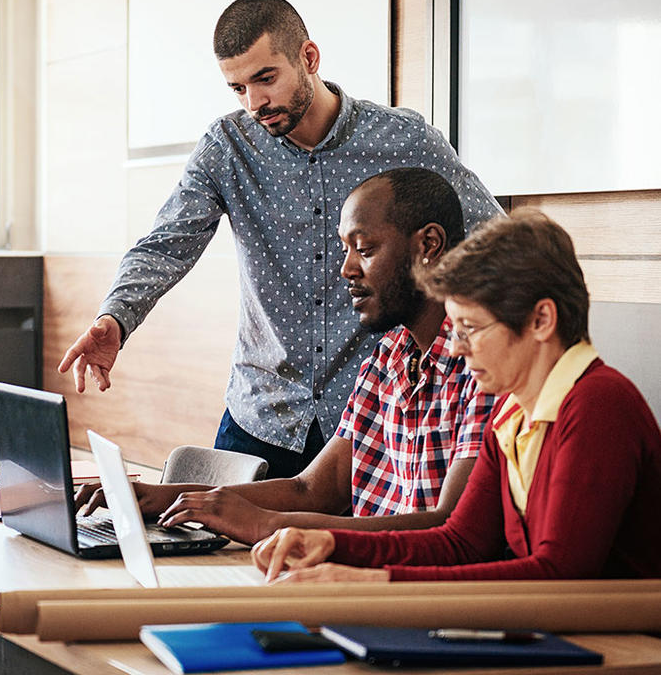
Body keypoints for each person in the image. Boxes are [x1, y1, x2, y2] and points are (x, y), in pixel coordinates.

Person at [58, 0, 501, 478]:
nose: (255, 103)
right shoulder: (227, 147)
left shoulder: (403, 140)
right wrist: (115, 318)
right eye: (238, 88)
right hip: (260, 415)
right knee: (205, 543)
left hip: (373, 415)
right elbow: (165, 244)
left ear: (308, 57)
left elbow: (492, 240)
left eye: (265, 79)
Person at [76, 168, 495, 546]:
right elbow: (313, 489)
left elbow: (450, 528)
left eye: (364, 249)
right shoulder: (388, 358)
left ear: (429, 245)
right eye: (344, 249)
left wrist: (268, 525)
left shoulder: (484, 365)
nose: (346, 269)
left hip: (414, 597)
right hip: (360, 582)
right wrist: (164, 495)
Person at [252, 210, 661, 581]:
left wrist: (373, 582)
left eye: (471, 330)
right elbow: (460, 541)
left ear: (541, 320)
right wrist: (334, 545)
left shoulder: (598, 404)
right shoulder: (511, 411)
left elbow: (557, 574)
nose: (457, 348)